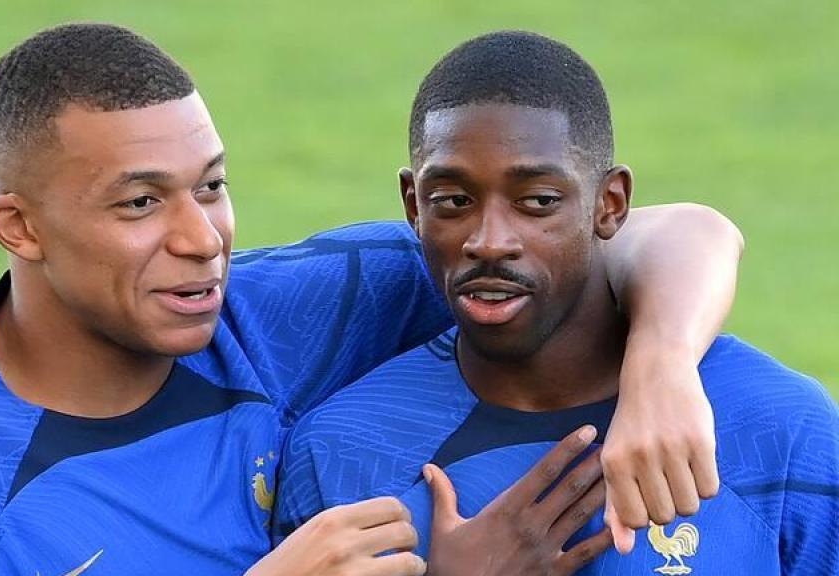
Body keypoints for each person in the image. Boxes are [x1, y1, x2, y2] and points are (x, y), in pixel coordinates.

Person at [0, 24, 743, 575]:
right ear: (19, 227)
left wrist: (662, 365)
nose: (202, 238)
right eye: (142, 202)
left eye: (212, 186)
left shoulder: (287, 313)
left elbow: (660, 230)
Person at [273, 30, 839, 575]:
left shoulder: (784, 430)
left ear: (609, 203)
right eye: (453, 200)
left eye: (538, 201)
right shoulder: (338, 453)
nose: (490, 241)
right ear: (413, 205)